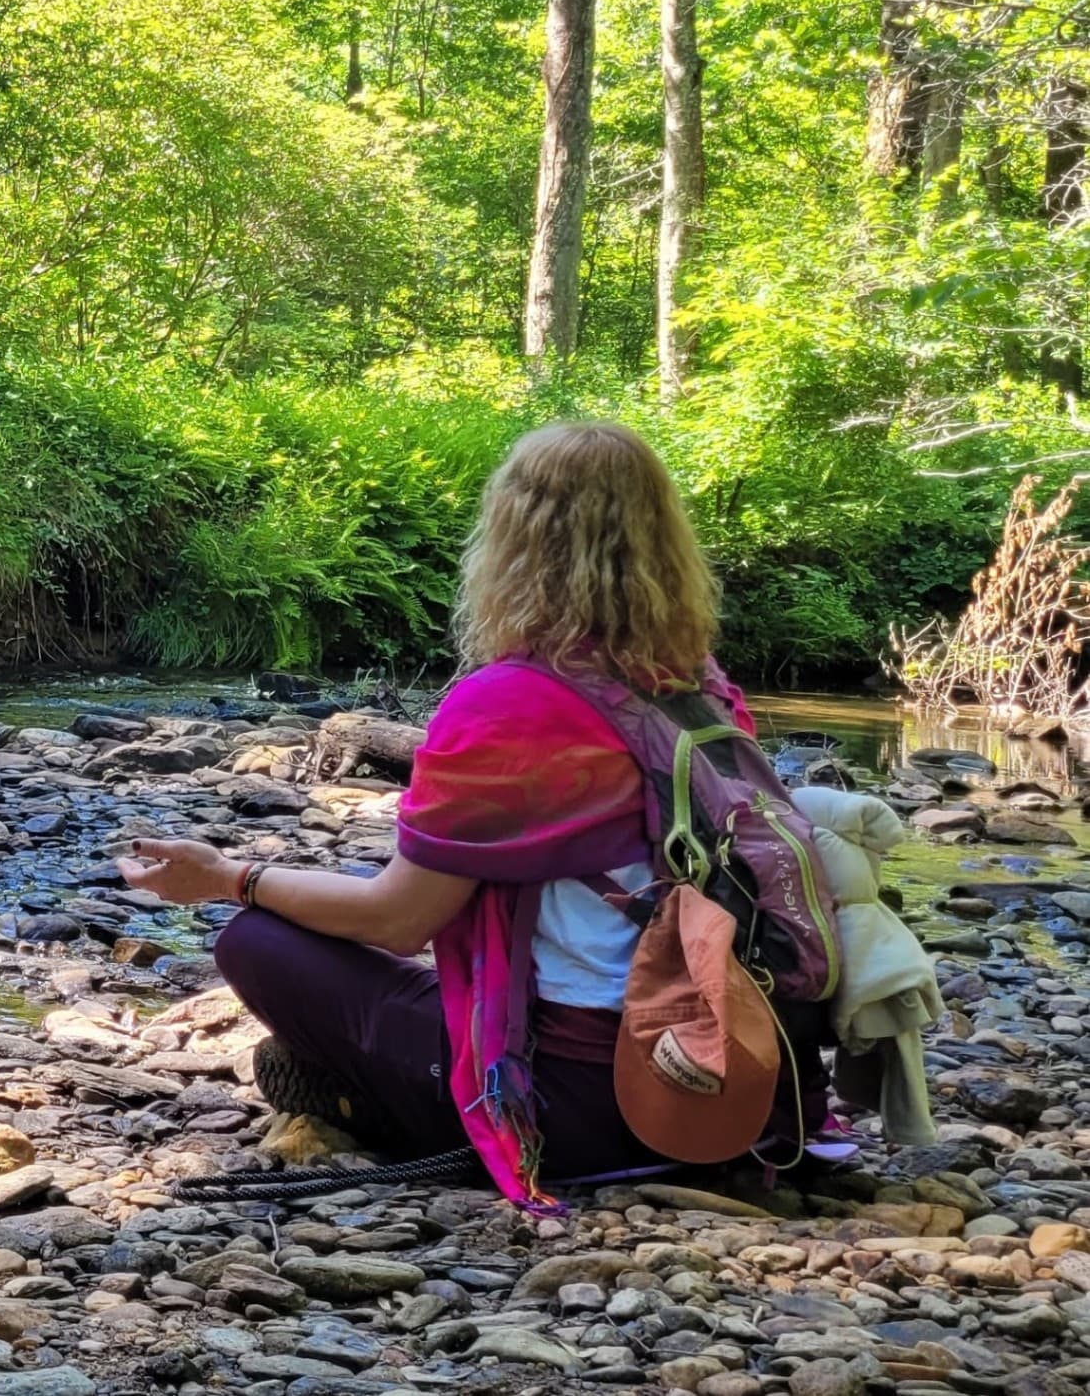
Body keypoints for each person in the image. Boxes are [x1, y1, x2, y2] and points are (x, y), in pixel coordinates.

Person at [119, 418, 832, 1206]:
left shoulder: (509, 701)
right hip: (739, 1080)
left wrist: (228, 876)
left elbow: (398, 919)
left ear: (511, 539)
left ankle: (372, 1100)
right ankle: (351, 1086)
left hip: (585, 1107)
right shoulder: (694, 684)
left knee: (256, 939)